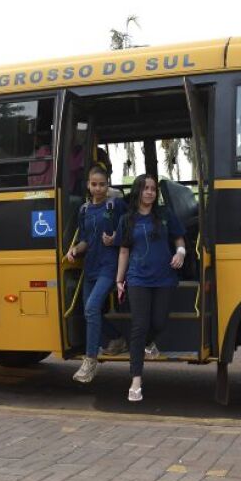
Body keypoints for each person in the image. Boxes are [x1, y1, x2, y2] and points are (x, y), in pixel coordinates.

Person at [114, 174, 185, 402]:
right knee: (139, 325)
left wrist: (181, 253)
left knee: (158, 322)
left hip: (164, 277)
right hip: (137, 278)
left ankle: (145, 343)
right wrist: (119, 280)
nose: (150, 192)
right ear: (138, 191)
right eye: (145, 188)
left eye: (153, 189)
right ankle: (136, 381)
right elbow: (124, 251)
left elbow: (179, 238)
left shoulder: (165, 215)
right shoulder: (127, 219)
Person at [66, 164, 128, 383]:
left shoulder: (116, 205)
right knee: (88, 311)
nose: (98, 189)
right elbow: (85, 240)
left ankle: (90, 361)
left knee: (92, 307)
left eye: (102, 184)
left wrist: (115, 240)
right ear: (88, 185)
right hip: (90, 265)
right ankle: (116, 338)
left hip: (110, 264)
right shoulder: (84, 210)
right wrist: (75, 250)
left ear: (107, 184)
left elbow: (129, 231)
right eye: (94, 184)